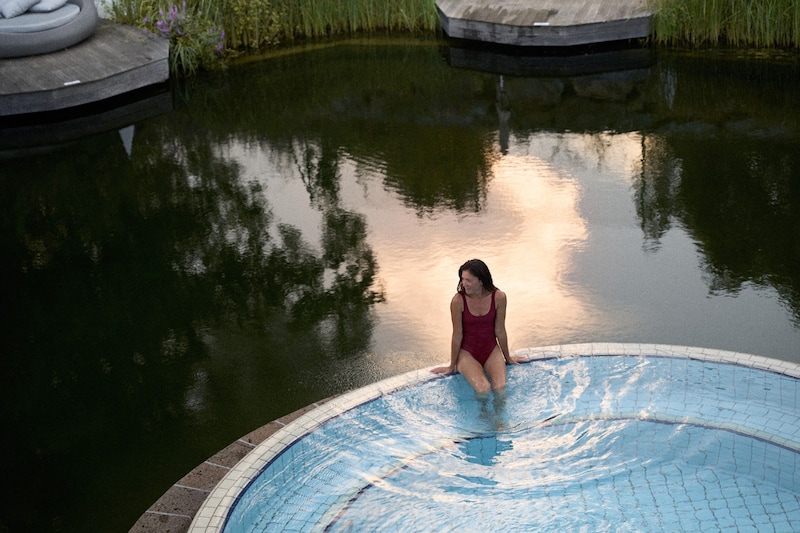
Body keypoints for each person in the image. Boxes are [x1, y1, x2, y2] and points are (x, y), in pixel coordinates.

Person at [432, 259, 521, 398]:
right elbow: (457, 335)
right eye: (462, 279)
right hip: (466, 352)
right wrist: (451, 365)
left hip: (490, 349)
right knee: (483, 388)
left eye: (469, 280)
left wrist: (508, 357)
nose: (464, 284)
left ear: (481, 280)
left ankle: (499, 420)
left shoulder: (499, 297)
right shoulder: (458, 301)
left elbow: (500, 330)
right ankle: (483, 417)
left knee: (500, 388)